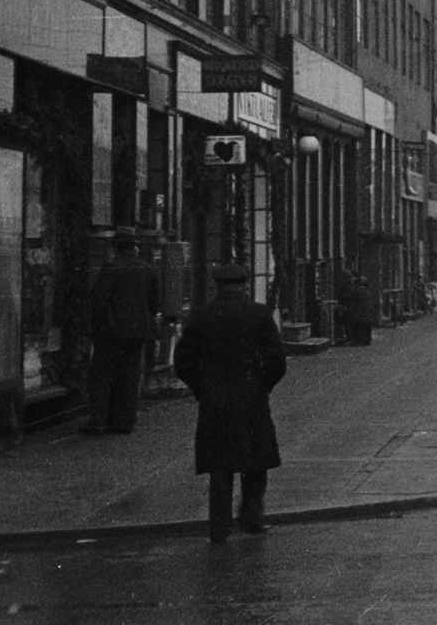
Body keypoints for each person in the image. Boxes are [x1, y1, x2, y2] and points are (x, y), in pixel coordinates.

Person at [173, 262, 287, 543]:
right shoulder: (259, 315)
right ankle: (252, 518)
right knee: (255, 462)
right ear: (244, 285)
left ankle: (219, 527)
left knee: (220, 467)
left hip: (215, 401)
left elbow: (183, 361)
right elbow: (277, 360)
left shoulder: (202, 316)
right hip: (251, 398)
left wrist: (202, 388)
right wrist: (263, 385)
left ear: (218, 286)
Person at [85, 230, 162, 434]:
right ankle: (125, 421)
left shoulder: (111, 269)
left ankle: (99, 420)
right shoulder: (148, 269)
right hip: (138, 332)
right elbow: (154, 303)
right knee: (130, 375)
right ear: (134, 248)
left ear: (116, 248)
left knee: (102, 375)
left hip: (111, 332)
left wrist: (97, 325)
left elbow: (99, 300)